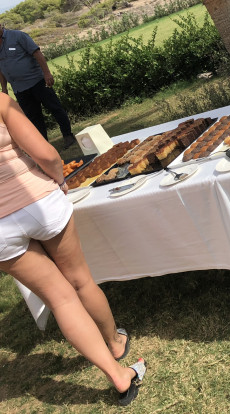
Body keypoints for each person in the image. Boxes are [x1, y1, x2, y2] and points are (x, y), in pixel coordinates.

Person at [0, 92, 146, 406]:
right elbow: (46, 154)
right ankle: (115, 343)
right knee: (80, 281)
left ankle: (117, 374)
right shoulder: (0, 101)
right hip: (39, 201)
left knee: (60, 299)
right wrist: (59, 179)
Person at [0, 24, 75, 149]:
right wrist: (4, 89)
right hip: (19, 88)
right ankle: (44, 145)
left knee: (55, 108)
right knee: (34, 118)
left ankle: (68, 135)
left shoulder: (18, 36)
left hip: (37, 81)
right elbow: (1, 69)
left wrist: (47, 73)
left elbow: (37, 53)